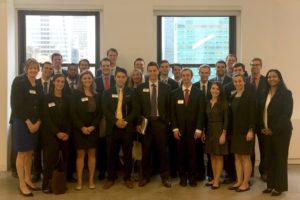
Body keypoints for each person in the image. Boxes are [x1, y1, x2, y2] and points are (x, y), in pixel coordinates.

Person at [136, 61, 172, 188]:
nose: (152, 73)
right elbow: (138, 108)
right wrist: (138, 123)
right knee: (146, 152)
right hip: (146, 124)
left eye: (154, 70)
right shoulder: (141, 88)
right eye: (150, 70)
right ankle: (145, 176)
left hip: (161, 124)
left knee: (163, 151)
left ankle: (165, 177)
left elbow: (169, 106)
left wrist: (167, 121)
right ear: (147, 72)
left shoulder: (166, 87)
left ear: (158, 71)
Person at [102, 68, 139, 189]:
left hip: (127, 128)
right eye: (119, 77)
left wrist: (126, 121)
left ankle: (127, 178)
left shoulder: (132, 92)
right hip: (113, 128)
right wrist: (116, 121)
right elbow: (105, 109)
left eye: (123, 77)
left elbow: (135, 110)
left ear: (126, 79)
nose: (121, 79)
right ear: (115, 78)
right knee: (111, 155)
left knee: (128, 155)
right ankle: (111, 178)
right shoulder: (107, 92)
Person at [11, 58, 42, 196]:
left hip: (35, 123)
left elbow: (41, 105)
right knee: (22, 153)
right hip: (21, 122)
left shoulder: (39, 84)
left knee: (30, 152)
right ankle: (22, 184)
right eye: (31, 68)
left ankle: (28, 179)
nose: (33, 70)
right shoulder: (19, 82)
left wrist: (38, 122)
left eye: (36, 68)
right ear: (26, 68)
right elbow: (16, 105)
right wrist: (29, 122)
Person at [260, 69, 293, 196]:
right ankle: (270, 185)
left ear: (279, 78)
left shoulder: (286, 93)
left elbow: (286, 115)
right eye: (269, 77)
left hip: (281, 132)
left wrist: (273, 129)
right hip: (266, 132)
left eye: (274, 76)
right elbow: (261, 112)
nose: (271, 79)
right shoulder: (265, 93)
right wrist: (263, 127)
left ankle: (279, 187)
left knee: (280, 159)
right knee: (269, 159)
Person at [171, 68, 205, 187]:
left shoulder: (199, 93)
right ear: (181, 76)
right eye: (183, 75)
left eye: (188, 75)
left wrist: (199, 129)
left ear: (191, 76)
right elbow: (172, 113)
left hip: (194, 130)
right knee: (180, 155)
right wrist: (174, 129)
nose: (185, 77)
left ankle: (192, 176)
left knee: (193, 155)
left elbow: (201, 112)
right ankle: (182, 177)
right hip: (179, 130)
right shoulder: (174, 93)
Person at [71, 70, 102, 190]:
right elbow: (73, 112)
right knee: (80, 155)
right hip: (80, 129)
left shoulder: (97, 94)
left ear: (92, 80)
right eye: (85, 79)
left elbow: (100, 113)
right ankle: (79, 181)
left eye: (89, 78)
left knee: (92, 154)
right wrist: (82, 127)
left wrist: (93, 126)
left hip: (93, 129)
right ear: (81, 80)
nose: (87, 80)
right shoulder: (76, 94)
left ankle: (90, 180)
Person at [41, 74, 71, 193]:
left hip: (65, 135)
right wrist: (57, 132)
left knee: (64, 160)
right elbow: (46, 118)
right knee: (50, 160)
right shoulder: (46, 98)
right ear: (53, 82)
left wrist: (67, 133)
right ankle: (46, 185)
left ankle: (60, 183)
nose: (60, 83)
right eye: (58, 81)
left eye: (62, 82)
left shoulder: (67, 98)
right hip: (51, 134)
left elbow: (70, 117)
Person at [228, 74, 256, 192]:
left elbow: (253, 113)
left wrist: (251, 130)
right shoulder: (233, 95)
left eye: (240, 81)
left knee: (245, 157)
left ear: (244, 82)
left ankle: (245, 183)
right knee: (237, 157)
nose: (238, 83)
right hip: (235, 132)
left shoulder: (249, 95)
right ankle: (239, 181)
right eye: (236, 81)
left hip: (246, 132)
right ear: (233, 83)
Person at [203, 82, 228, 189]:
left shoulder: (224, 103)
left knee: (219, 156)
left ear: (220, 91)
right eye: (213, 88)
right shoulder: (207, 102)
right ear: (210, 90)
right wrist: (204, 131)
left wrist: (223, 134)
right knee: (212, 156)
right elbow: (204, 118)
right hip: (209, 131)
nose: (215, 91)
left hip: (219, 130)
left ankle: (217, 180)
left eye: (217, 89)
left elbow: (227, 120)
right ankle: (214, 177)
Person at [32, 61, 53, 183]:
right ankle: (36, 172)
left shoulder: (55, 84)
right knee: (37, 147)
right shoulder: (36, 84)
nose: (48, 70)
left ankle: (47, 172)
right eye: (46, 68)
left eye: (50, 69)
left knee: (48, 149)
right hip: (38, 121)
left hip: (50, 122)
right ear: (42, 69)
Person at [95, 58, 115, 180]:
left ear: (111, 67)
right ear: (100, 67)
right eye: (104, 66)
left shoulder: (116, 79)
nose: (106, 68)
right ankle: (102, 170)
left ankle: (112, 169)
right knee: (101, 145)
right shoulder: (95, 81)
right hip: (101, 117)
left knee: (112, 145)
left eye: (108, 66)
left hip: (113, 117)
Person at [248, 57, 267, 181]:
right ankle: (249, 172)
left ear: (261, 66)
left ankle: (264, 172)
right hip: (249, 120)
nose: (254, 66)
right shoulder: (244, 80)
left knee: (264, 147)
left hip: (262, 120)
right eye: (252, 64)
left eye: (257, 64)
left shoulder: (267, 80)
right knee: (248, 148)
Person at [193, 64, 212, 181]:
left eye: (206, 73)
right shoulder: (193, 86)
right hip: (196, 122)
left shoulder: (214, 86)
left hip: (211, 123)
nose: (204, 75)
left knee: (210, 150)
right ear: (198, 73)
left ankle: (210, 174)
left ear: (209, 74)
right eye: (202, 72)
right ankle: (199, 174)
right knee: (197, 150)